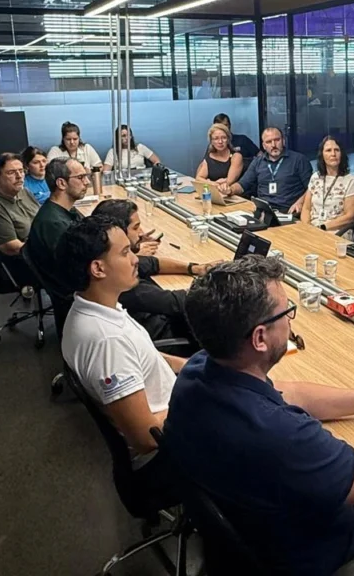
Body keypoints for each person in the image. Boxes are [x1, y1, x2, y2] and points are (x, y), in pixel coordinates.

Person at [165, 257, 354, 575]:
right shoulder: (280, 435)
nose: (292, 320)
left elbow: (290, 391)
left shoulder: (197, 369)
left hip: (245, 540)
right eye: (285, 313)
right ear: (260, 338)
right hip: (311, 556)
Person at [58, 217, 188, 503]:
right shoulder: (107, 341)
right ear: (98, 268)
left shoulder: (98, 306)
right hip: (163, 457)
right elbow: (146, 438)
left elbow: (147, 357)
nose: (136, 260)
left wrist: (193, 368)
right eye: (125, 253)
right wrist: (202, 400)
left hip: (170, 410)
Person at [91, 198, 219, 341]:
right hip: (167, 337)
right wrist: (217, 285)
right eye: (135, 227)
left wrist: (194, 268)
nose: (141, 233)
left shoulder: (105, 257)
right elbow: (178, 302)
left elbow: (152, 263)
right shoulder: (122, 282)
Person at [23, 158, 89, 328]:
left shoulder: (61, 212)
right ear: (61, 183)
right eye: (81, 177)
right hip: (78, 294)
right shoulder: (54, 224)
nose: (87, 182)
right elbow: (83, 266)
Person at [217, 126, 312, 213]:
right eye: (269, 142)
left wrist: (300, 203)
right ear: (263, 145)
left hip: (289, 210)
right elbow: (242, 184)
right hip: (263, 210)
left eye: (277, 140)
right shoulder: (258, 162)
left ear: (283, 141)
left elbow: (312, 188)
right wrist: (230, 189)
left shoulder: (299, 160)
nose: (273, 145)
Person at [0, 152, 40, 258]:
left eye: (21, 171)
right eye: (11, 172)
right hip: (29, 261)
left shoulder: (24, 192)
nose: (19, 176)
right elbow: (13, 247)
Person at [298, 136, 354, 232]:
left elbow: (349, 216)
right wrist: (307, 228)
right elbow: (306, 208)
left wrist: (322, 228)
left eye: (337, 150)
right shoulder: (315, 177)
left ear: (341, 154)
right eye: (328, 150)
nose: (333, 154)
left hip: (337, 230)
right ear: (322, 155)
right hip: (312, 228)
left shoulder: (350, 181)